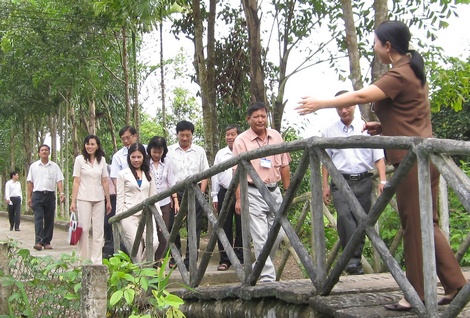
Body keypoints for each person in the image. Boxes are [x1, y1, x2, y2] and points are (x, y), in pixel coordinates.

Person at [295, 20, 466, 311]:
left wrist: (320, 103)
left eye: (375, 42)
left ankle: (418, 294)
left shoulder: (400, 73)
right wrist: (383, 125)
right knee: (428, 223)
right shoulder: (412, 68)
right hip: (423, 159)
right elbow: (409, 115)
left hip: (412, 162)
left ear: (388, 46)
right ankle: (455, 284)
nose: (373, 47)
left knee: (414, 226)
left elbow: (362, 96)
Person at [321, 90, 386, 275]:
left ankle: (353, 262)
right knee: (343, 217)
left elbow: (379, 157)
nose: (344, 111)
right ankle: (352, 259)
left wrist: (383, 180)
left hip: (364, 180)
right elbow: (325, 160)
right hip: (340, 181)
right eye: (339, 107)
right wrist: (325, 185)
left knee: (361, 221)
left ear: (354, 105)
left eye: (347, 106)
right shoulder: (329, 132)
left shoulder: (368, 128)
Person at [233, 102, 291, 282]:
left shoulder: (276, 136)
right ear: (248, 119)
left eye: (263, 116)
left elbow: (284, 164)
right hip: (253, 192)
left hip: (274, 191)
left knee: (278, 233)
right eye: (256, 116)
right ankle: (267, 280)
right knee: (260, 235)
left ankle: (260, 268)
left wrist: (288, 190)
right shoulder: (241, 141)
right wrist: (239, 198)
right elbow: (237, 172)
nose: (260, 120)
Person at [167, 120, 210, 269]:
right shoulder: (169, 151)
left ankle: (191, 259)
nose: (185, 138)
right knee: (173, 224)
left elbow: (205, 173)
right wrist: (172, 194)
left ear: (192, 135)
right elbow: (168, 174)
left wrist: (201, 192)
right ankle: (175, 256)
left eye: (188, 135)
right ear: (177, 134)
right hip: (175, 190)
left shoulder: (199, 151)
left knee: (194, 225)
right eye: (182, 135)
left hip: (195, 190)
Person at [71, 135, 112, 264]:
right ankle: (83, 261)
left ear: (97, 146)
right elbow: (76, 181)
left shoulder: (102, 161)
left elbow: (105, 181)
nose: (90, 146)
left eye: (93, 144)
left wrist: (108, 200)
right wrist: (73, 201)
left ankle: (97, 261)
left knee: (98, 230)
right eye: (88, 144)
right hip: (83, 198)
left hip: (99, 198)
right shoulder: (79, 160)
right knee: (83, 229)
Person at [116, 143, 160, 263]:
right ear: (129, 158)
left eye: (139, 157)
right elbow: (120, 197)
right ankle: (139, 277)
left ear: (143, 157)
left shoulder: (149, 174)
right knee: (136, 247)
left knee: (154, 243)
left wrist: (159, 217)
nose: (136, 160)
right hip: (128, 214)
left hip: (146, 215)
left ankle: (142, 270)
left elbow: (153, 196)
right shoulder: (122, 174)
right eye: (133, 157)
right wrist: (118, 218)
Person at [211, 124, 244, 271]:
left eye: (232, 134)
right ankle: (225, 259)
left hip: (243, 191)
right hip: (224, 191)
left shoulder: (244, 150)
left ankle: (240, 257)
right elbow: (215, 175)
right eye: (227, 135)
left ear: (239, 135)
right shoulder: (221, 154)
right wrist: (214, 196)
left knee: (242, 225)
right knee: (224, 226)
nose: (230, 137)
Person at [106, 126, 140, 252]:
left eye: (128, 137)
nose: (126, 141)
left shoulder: (145, 150)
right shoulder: (118, 156)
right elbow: (115, 179)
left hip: (144, 195)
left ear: (135, 136)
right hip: (126, 197)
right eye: (123, 139)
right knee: (127, 231)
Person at [147, 136, 180, 265]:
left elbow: (171, 182)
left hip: (165, 202)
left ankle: (158, 262)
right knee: (150, 232)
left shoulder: (167, 163)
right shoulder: (145, 162)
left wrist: (175, 200)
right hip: (149, 202)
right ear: (150, 150)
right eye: (154, 151)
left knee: (164, 232)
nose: (156, 155)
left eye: (159, 152)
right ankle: (148, 261)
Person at [27, 144, 65, 251]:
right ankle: (38, 242)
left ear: (49, 152)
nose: (44, 152)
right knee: (38, 218)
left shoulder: (54, 166)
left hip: (50, 195)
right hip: (37, 195)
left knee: (49, 219)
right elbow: (30, 183)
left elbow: (59, 180)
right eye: (42, 150)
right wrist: (29, 198)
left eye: (46, 150)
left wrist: (61, 193)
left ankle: (47, 242)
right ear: (38, 153)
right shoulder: (33, 166)